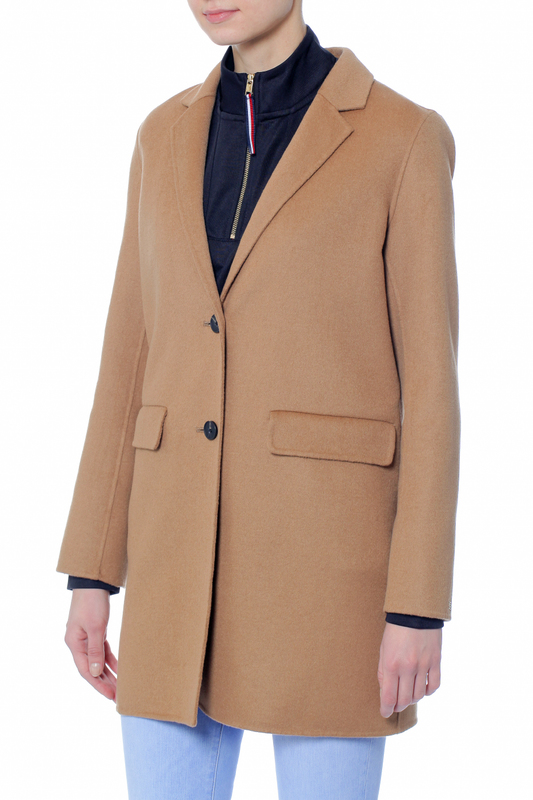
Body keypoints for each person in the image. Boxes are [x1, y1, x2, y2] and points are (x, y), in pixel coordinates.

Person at [57, 1, 460, 798]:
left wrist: (417, 607)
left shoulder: (402, 137)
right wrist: (90, 573)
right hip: (171, 571)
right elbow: (127, 361)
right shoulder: (161, 135)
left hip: (326, 575)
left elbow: (431, 390)